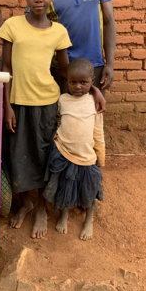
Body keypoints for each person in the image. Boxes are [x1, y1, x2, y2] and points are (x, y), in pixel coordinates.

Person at [0, 0, 105, 239]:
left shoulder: (58, 31)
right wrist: (6, 105)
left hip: (47, 103)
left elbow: (66, 71)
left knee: (47, 157)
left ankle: (42, 209)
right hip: (18, 103)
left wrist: (92, 89)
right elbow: (6, 68)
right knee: (18, 156)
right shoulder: (12, 26)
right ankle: (25, 203)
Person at [44, 58, 105, 241]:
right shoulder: (62, 99)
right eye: (73, 82)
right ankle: (64, 214)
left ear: (92, 82)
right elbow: (57, 121)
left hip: (86, 156)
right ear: (67, 81)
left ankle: (89, 219)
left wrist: (101, 157)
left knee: (88, 189)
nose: (78, 87)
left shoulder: (94, 102)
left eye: (83, 82)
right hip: (64, 152)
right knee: (65, 186)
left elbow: (98, 133)